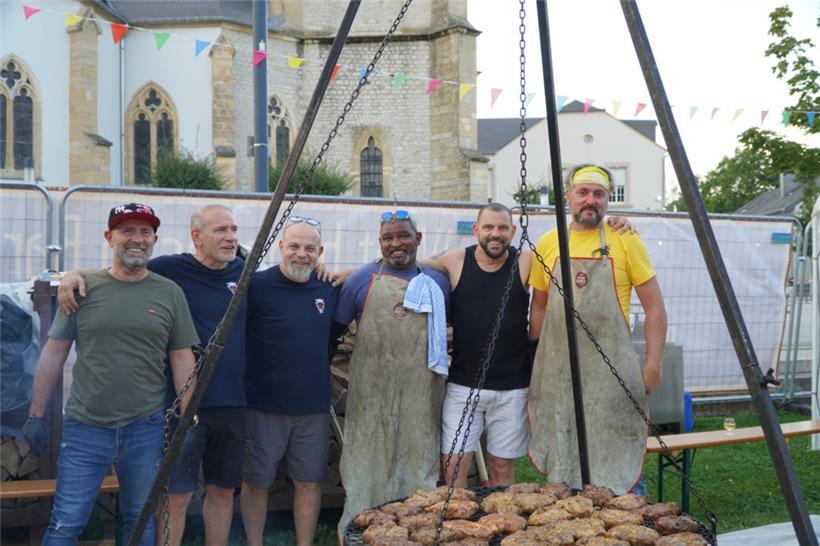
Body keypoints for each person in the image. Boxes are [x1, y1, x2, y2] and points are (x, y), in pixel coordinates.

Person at [57, 204, 248, 546]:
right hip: (179, 406)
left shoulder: (244, 273)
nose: (230, 237)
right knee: (176, 495)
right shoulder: (171, 269)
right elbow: (122, 269)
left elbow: (290, 275)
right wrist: (73, 274)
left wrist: (334, 271)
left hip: (232, 402)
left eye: (233, 229)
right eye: (221, 229)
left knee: (222, 493)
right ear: (196, 236)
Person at [23, 203, 199, 546]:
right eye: (126, 231)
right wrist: (36, 414)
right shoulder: (82, 288)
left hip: (145, 427)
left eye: (145, 232)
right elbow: (54, 353)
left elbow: (182, 358)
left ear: (154, 239)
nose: (137, 239)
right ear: (109, 237)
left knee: (139, 520)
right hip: (86, 427)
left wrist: (188, 419)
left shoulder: (169, 293)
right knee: (66, 522)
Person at [425, 203, 635, 489]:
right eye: (488, 227)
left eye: (502, 228)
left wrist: (611, 224)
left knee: (501, 469)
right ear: (476, 230)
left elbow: (572, 252)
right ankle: (457, 518)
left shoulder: (526, 261)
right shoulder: (455, 260)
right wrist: (368, 267)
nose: (495, 234)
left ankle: (500, 515)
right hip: (463, 384)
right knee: (453, 467)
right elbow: (411, 263)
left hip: (512, 387)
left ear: (513, 231)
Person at [527, 164, 667, 494]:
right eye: (583, 192)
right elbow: (539, 307)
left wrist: (653, 365)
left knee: (617, 451)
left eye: (599, 194)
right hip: (561, 373)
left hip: (613, 373)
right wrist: (537, 362)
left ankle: (627, 516)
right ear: (569, 196)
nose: (591, 200)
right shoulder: (548, 243)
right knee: (564, 453)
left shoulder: (626, 241)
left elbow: (655, 307)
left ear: (607, 200)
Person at [332, 210, 450, 537]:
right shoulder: (359, 280)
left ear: (418, 238)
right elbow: (333, 332)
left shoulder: (438, 282)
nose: (396, 243)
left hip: (420, 392)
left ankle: (416, 532)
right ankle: (359, 530)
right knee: (365, 461)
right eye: (388, 238)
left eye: (403, 236)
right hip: (371, 392)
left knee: (418, 460)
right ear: (380, 242)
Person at [240, 218, 340, 546]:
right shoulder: (256, 286)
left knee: (308, 483)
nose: (301, 253)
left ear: (320, 252)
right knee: (256, 481)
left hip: (313, 407)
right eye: (294, 246)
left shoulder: (329, 288)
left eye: (310, 248)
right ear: (281, 247)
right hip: (263, 406)